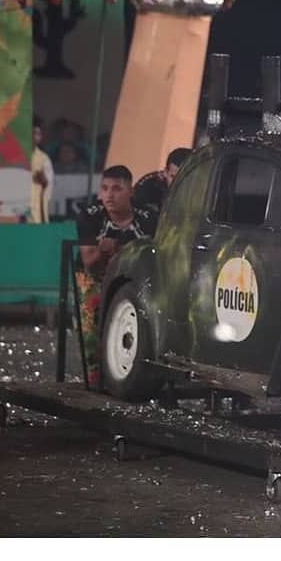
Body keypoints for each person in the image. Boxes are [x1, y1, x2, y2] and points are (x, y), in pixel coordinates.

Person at [75, 167, 158, 389]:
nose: (109, 195)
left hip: (135, 279)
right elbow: (89, 261)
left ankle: (135, 377)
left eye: (117, 189)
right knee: (91, 325)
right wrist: (103, 250)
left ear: (131, 192)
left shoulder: (149, 218)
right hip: (94, 278)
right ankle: (95, 383)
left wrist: (118, 247)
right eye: (104, 189)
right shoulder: (90, 215)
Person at [133, 147, 192, 214]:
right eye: (173, 177)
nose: (178, 183)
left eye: (184, 178)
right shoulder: (148, 187)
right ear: (165, 172)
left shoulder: (197, 189)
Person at [30, 117, 54, 224]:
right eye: (32, 133)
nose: (34, 136)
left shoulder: (43, 158)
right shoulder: (10, 156)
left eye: (37, 134)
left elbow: (49, 184)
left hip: (35, 208)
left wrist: (43, 180)